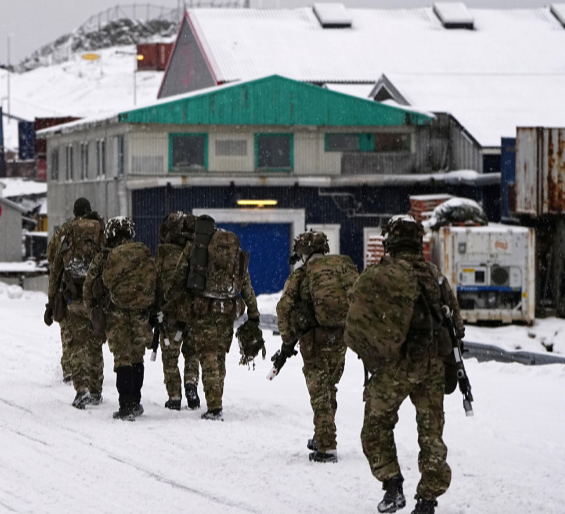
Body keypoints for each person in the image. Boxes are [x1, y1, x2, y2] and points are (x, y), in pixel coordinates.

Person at [347, 216, 465, 514]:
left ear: (390, 242)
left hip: (394, 367)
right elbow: (457, 326)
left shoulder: (380, 275)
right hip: (432, 366)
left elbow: (358, 318)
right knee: (431, 434)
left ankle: (392, 485)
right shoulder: (435, 275)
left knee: (376, 426)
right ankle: (427, 500)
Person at [274, 230, 360, 463]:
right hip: (341, 338)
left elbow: (283, 309)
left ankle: (326, 446)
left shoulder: (302, 275)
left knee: (319, 392)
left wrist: (287, 339)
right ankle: (322, 434)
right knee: (329, 385)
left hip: (314, 340)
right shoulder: (343, 269)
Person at [170, 215, 265, 420]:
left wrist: (173, 301)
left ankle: (214, 406)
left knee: (208, 356)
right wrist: (253, 312)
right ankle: (217, 396)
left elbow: (179, 276)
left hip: (204, 310)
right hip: (227, 310)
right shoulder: (233, 250)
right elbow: (245, 282)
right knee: (220, 355)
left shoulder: (197, 249)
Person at [84, 216, 156, 421]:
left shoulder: (105, 256)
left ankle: (125, 406)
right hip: (140, 312)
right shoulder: (142, 253)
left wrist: (92, 311)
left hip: (116, 312)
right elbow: (153, 280)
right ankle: (135, 402)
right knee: (136, 357)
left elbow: (90, 286)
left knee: (122, 358)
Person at [45, 198, 106, 409]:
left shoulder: (67, 230)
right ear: (89, 211)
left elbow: (54, 263)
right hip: (96, 298)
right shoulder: (101, 228)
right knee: (95, 343)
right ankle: (97, 390)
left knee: (78, 344)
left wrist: (50, 301)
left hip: (73, 296)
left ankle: (82, 390)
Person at [155, 212, 200, 410]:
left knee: (170, 356)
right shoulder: (195, 253)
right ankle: (191, 382)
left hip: (170, 313)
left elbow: (155, 283)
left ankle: (174, 396)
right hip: (193, 313)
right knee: (191, 353)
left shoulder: (164, 254)